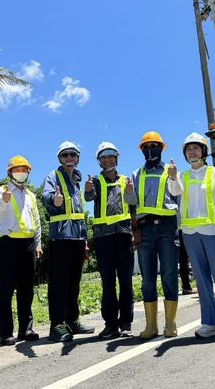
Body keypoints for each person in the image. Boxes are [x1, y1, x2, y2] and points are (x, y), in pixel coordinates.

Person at [168, 133, 215, 342]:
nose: (192, 152)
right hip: (191, 234)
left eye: (196, 148)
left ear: (203, 151)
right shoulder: (182, 175)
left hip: (214, 232)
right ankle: (210, 322)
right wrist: (172, 177)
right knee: (201, 281)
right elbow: (175, 191)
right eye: (188, 149)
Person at [124, 131, 180, 340]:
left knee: (168, 274)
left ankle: (170, 324)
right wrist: (129, 191)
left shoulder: (171, 170)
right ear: (142, 151)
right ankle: (151, 326)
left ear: (161, 148)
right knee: (147, 277)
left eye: (154, 146)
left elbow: (178, 193)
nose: (150, 150)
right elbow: (131, 202)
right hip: (145, 228)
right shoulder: (136, 174)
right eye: (146, 147)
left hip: (167, 227)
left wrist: (175, 177)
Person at [42, 141, 95, 342]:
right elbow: (46, 195)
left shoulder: (78, 181)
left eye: (73, 154)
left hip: (77, 238)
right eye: (65, 155)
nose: (69, 157)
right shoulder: (53, 176)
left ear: (78, 157)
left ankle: (72, 321)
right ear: (60, 159)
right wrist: (53, 201)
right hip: (60, 238)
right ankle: (56, 325)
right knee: (59, 283)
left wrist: (85, 240)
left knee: (74, 283)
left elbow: (80, 213)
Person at [0, 156, 43, 346]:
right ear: (9, 173)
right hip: (9, 243)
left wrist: (38, 243)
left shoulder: (31, 195)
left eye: (24, 169)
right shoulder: (0, 191)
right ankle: (5, 332)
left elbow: (36, 221)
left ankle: (26, 329)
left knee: (26, 290)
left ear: (28, 172)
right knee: (5, 289)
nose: (20, 172)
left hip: (28, 245)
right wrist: (4, 201)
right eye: (16, 169)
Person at [84, 142, 134, 339]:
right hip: (103, 237)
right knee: (108, 282)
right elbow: (89, 198)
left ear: (117, 158)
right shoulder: (95, 181)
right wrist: (88, 189)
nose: (108, 160)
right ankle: (111, 324)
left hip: (123, 235)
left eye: (111, 156)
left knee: (126, 281)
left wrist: (130, 191)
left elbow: (132, 204)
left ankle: (126, 324)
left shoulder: (126, 180)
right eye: (103, 157)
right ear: (99, 161)